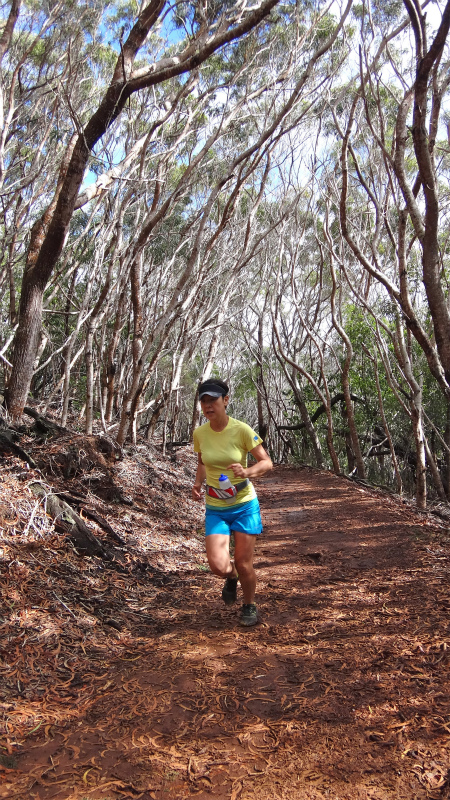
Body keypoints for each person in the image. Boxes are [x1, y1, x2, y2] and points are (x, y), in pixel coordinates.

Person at [192, 378, 273, 626]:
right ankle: (232, 576)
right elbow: (203, 462)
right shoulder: (200, 433)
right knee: (218, 565)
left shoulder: (242, 430)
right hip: (216, 505)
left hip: (244, 504)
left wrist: (247, 472)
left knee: (243, 561)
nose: (208, 405)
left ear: (225, 401)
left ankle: (249, 605)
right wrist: (197, 484)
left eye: (213, 400)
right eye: (203, 401)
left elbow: (266, 463)